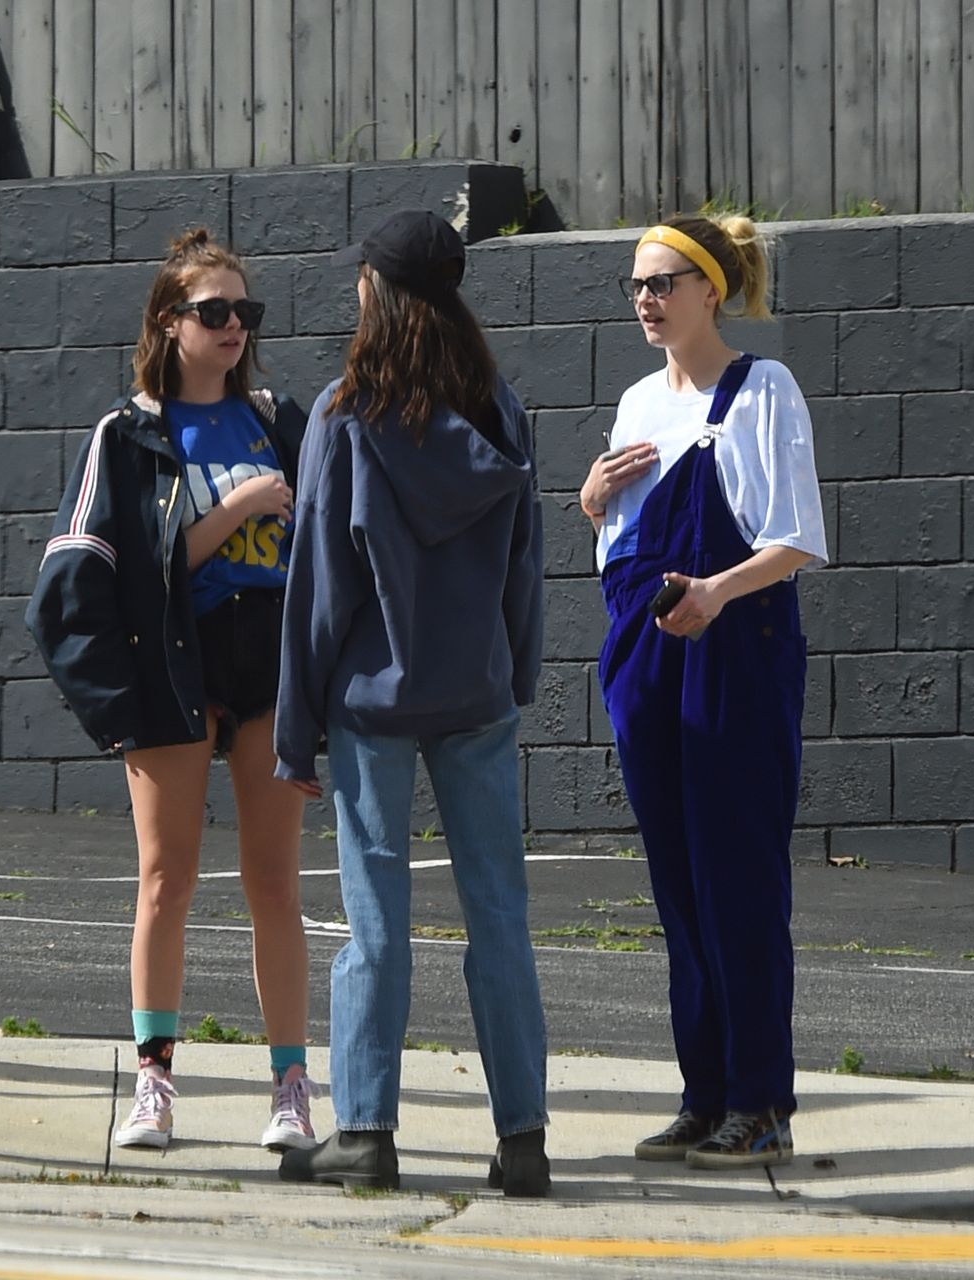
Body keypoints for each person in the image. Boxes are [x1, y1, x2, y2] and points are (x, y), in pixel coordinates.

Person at [273, 209, 550, 1196]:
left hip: (373, 704)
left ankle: (366, 1130)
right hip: (476, 691)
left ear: (376, 291)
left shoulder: (347, 415)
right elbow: (525, 562)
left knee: (377, 920)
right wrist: (512, 672)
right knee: (500, 915)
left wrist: (294, 728)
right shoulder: (500, 411)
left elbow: (319, 583)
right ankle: (523, 1139)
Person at [27, 228, 316, 1154]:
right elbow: (114, 580)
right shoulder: (129, 433)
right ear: (169, 322)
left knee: (274, 881)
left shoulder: (278, 419)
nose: (234, 326)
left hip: (266, 663)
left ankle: (291, 1088)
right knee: (167, 877)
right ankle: (153, 1080)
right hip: (173, 664)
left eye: (246, 311)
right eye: (214, 311)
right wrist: (231, 512)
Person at [580, 213, 825, 1170]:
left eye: (663, 283)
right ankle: (705, 1094)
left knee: (739, 881)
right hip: (647, 651)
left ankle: (761, 1100)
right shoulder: (639, 402)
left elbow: (795, 537)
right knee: (679, 886)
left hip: (734, 650)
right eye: (637, 286)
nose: (646, 300)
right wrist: (593, 498)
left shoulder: (762, 390)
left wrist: (717, 592)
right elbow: (613, 544)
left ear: (709, 290)